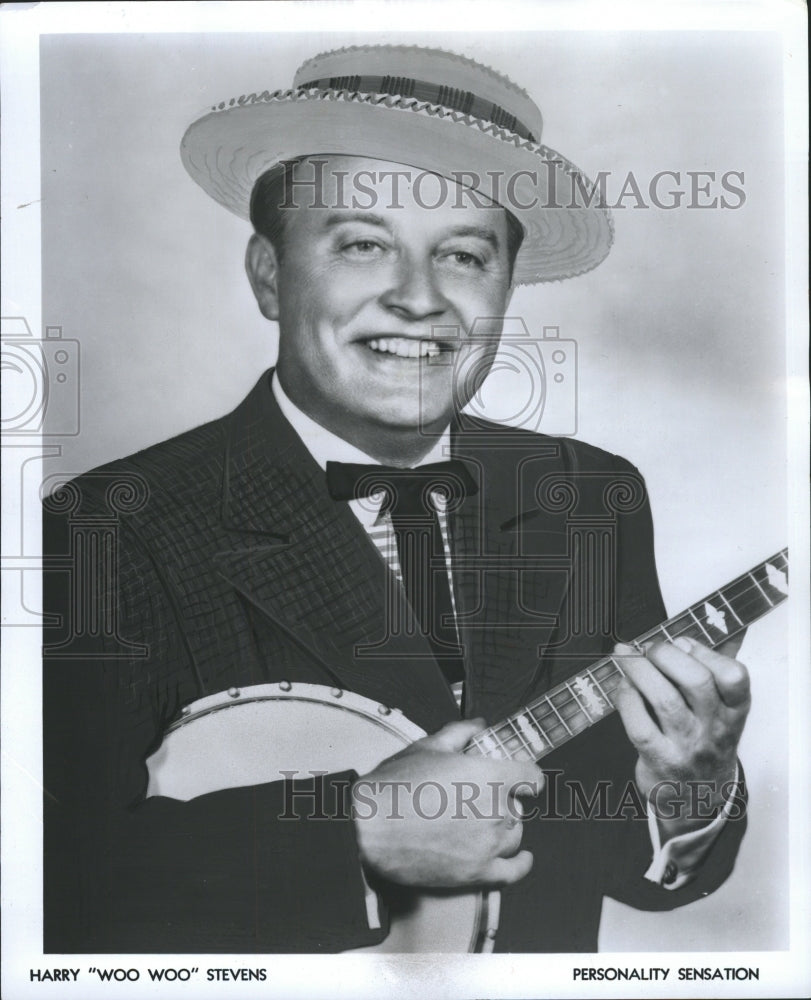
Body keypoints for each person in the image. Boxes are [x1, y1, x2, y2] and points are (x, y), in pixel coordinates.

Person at [42, 45, 750, 954]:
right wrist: (353, 840)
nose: (419, 299)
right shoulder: (106, 528)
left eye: (463, 254)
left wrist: (688, 783)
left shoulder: (587, 496)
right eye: (363, 244)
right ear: (269, 274)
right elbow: (51, 885)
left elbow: (627, 869)